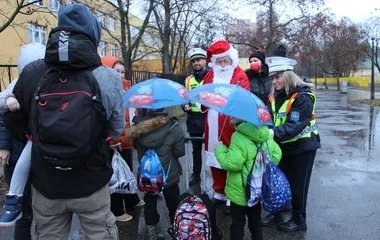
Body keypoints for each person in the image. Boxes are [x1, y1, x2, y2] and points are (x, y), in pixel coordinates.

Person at [5, 4, 124, 239]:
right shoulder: (107, 76)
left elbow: (13, 120)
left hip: (46, 184)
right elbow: (116, 128)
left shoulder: (32, 72)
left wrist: (36, 137)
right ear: (93, 35)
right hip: (91, 180)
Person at [261, 47, 321, 232]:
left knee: (298, 186)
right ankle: (278, 212)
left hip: (303, 146)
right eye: (272, 78)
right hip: (283, 146)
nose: (274, 81)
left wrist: (271, 134)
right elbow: (270, 117)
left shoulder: (302, 97)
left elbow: (295, 126)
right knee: (279, 182)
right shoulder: (274, 97)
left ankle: (299, 220)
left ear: (288, 76)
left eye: (278, 77)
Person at [0, 43, 45, 238]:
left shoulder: (48, 83)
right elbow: (3, 117)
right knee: (24, 212)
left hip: (40, 150)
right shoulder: (15, 86)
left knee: (45, 212)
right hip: (19, 150)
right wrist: (3, 145)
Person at [202, 40, 250, 214]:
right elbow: (203, 95)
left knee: (232, 159)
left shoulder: (240, 76)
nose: (222, 65)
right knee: (215, 156)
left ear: (232, 60)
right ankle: (219, 191)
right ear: (214, 63)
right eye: (219, 62)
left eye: (225, 61)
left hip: (232, 125)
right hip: (212, 124)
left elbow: (243, 99)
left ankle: (232, 195)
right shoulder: (209, 76)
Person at [214, 117, 282, 240]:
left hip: (240, 190)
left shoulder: (238, 136)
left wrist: (219, 149)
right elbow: (277, 154)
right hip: (257, 189)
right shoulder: (266, 133)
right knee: (255, 223)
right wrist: (262, 168)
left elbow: (232, 164)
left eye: (235, 115)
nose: (231, 117)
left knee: (237, 225)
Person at [125, 108, 185, 240]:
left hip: (148, 174)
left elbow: (136, 146)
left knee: (150, 201)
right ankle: (177, 230)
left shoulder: (138, 129)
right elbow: (180, 152)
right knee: (173, 202)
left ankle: (152, 231)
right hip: (168, 172)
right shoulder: (174, 127)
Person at [101, 56, 145, 222]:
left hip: (127, 140)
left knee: (126, 172)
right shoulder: (107, 91)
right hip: (115, 142)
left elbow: (131, 113)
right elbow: (109, 119)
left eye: (122, 71)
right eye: (115, 71)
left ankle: (131, 200)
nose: (119, 75)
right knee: (116, 175)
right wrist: (112, 140)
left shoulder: (127, 89)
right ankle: (117, 210)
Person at [182, 47, 209, 185]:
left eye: (198, 60)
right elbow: (184, 97)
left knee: (211, 149)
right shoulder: (188, 80)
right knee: (196, 150)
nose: (196, 63)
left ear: (205, 60)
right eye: (194, 61)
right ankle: (196, 174)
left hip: (208, 118)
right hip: (193, 119)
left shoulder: (211, 77)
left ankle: (213, 174)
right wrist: (184, 106)